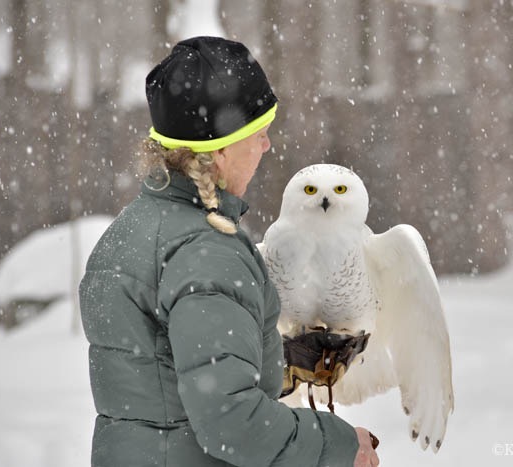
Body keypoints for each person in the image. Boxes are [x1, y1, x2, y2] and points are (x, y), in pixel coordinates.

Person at [79, 36, 379, 467]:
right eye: (258, 133)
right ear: (218, 150)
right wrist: (338, 444)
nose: (267, 145)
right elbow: (232, 423)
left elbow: (167, 384)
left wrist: (279, 363)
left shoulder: (130, 230)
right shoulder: (206, 251)